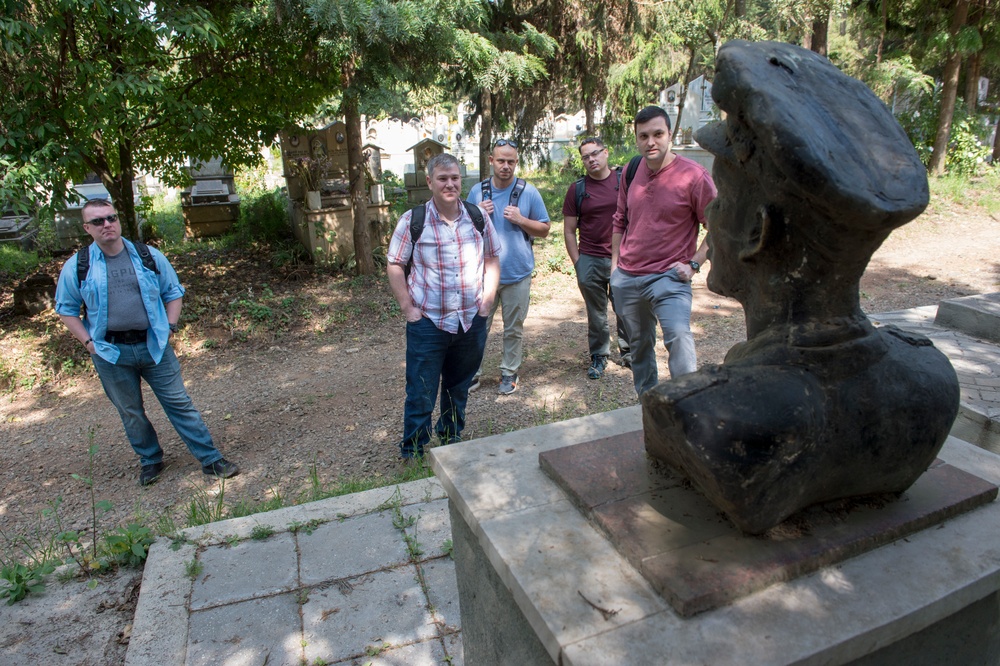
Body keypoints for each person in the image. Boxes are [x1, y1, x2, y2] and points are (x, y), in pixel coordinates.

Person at [642, 40, 957, 533]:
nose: (711, 213)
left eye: (721, 198)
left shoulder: (701, 414)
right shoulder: (935, 383)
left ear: (757, 234)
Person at [54, 199, 239, 487]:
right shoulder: (78, 266)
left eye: (111, 218)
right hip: (109, 352)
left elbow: (173, 292)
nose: (107, 225)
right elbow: (66, 309)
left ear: (118, 221)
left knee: (179, 403)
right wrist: (88, 342)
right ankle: (150, 459)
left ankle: (210, 458)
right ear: (87, 228)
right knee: (130, 410)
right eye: (99, 221)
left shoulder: (147, 255)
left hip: (154, 346)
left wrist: (170, 327)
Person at [387, 153, 501, 459]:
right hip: (428, 323)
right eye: (442, 178)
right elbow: (395, 264)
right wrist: (408, 309)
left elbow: (492, 258)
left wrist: (487, 303)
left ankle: (451, 441)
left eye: (454, 178)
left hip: (469, 321)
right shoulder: (413, 221)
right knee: (421, 390)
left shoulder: (478, 217)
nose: (450, 184)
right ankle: (413, 451)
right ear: (429, 182)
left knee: (458, 387)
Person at [610, 106, 716, 396]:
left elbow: (719, 225)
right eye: (643, 136)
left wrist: (694, 264)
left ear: (670, 134)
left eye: (658, 134)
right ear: (636, 139)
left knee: (679, 338)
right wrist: (615, 268)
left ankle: (688, 403)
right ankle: (648, 404)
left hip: (669, 278)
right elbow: (620, 219)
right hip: (628, 279)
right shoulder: (631, 170)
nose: (650, 142)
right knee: (639, 347)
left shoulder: (694, 176)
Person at [467, 139, 551, 395]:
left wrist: (522, 219)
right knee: (477, 326)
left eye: (511, 161)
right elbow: (461, 230)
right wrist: (476, 213)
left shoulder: (529, 192)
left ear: (516, 162)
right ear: (491, 161)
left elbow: (545, 229)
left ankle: (509, 372)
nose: (505, 166)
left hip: (517, 273)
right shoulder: (476, 192)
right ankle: (471, 373)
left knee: (513, 327)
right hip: (483, 275)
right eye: (500, 161)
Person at [562, 137, 631, 380]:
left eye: (595, 153)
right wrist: (578, 263)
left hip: (623, 258)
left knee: (625, 306)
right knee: (596, 312)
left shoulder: (624, 180)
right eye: (585, 156)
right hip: (590, 259)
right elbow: (569, 230)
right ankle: (599, 355)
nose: (591, 159)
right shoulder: (578, 189)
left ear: (606, 153)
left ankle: (629, 351)